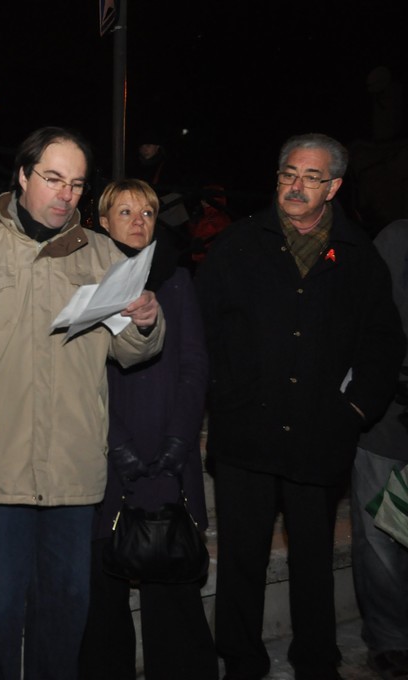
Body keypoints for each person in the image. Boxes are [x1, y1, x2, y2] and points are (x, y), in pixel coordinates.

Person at [0, 127, 165, 680]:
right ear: (21, 177)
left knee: (65, 614)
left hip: (73, 467)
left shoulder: (103, 256)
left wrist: (146, 323)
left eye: (75, 184)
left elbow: (131, 351)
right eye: (52, 179)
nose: (65, 194)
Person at [196, 133, 406, 680]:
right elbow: (202, 330)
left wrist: (355, 411)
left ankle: (317, 660)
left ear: (333, 186)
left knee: (313, 558)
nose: (296, 185)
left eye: (311, 177)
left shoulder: (359, 257)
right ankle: (241, 659)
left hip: (321, 433)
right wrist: (224, 394)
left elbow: (383, 344)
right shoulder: (237, 244)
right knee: (243, 555)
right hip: (246, 432)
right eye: (289, 173)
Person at [79, 179, 216, 680]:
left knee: (172, 576)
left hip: (166, 449)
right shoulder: (88, 278)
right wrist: (116, 444)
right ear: (102, 219)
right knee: (101, 585)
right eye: (125, 211)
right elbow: (80, 371)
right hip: (105, 447)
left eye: (149, 213)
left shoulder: (177, 278)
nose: (139, 222)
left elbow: (194, 364)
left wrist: (180, 441)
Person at [352, 219, 408, 680]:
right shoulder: (397, 239)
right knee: (381, 534)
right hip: (391, 415)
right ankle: (390, 640)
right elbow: (378, 324)